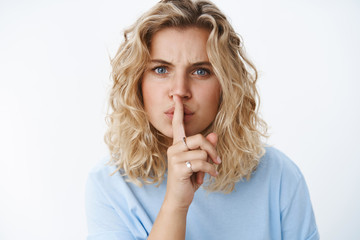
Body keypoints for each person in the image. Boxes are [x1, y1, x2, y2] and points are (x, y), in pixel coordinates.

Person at [85, 0, 319, 239]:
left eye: (201, 71)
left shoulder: (279, 175)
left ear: (226, 87)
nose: (179, 90)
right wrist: (176, 204)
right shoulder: (110, 184)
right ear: (138, 84)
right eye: (161, 69)